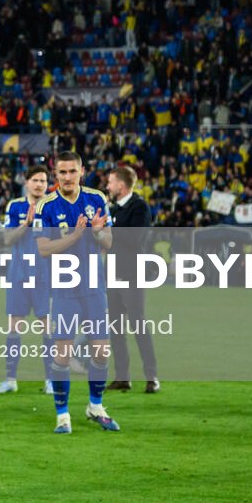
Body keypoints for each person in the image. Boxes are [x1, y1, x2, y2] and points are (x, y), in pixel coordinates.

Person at [36, 152, 120, 434]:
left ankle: (95, 406)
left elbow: (107, 242)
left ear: (81, 171)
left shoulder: (96, 199)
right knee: (62, 356)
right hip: (63, 291)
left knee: (101, 352)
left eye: (73, 171)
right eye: (62, 173)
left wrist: (97, 232)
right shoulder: (46, 205)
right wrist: (74, 236)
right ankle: (62, 415)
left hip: (94, 288)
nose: (68, 177)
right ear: (55, 174)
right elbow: (43, 248)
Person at [0, 166, 51, 395]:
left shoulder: (54, 207)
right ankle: (10, 379)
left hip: (45, 276)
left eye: (43, 181)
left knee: (48, 328)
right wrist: (25, 224)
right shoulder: (15, 207)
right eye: (35, 180)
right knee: (14, 328)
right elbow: (7, 239)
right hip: (19, 275)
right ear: (26, 182)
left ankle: (50, 380)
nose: (39, 184)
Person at [103, 164, 159, 393]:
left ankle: (152, 376)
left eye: (110, 182)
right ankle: (122, 376)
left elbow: (135, 238)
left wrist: (108, 228)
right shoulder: (113, 210)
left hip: (133, 274)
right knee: (115, 328)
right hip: (113, 274)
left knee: (138, 324)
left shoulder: (139, 207)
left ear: (121, 185)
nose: (108, 186)